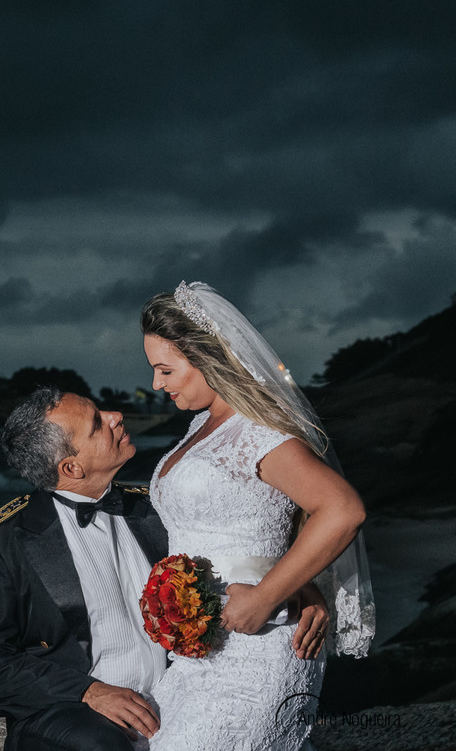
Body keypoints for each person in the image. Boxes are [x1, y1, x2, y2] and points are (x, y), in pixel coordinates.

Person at [0, 387, 329, 751]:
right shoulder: (8, 537)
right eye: (97, 424)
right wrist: (89, 691)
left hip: (177, 686)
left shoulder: (155, 508)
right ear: (71, 468)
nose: (116, 416)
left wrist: (295, 584)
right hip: (71, 706)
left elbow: (227, 555)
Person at [141, 281, 374, 750]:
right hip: (199, 650)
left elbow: (342, 510)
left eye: (165, 370)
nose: (156, 384)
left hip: (260, 646)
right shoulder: (201, 425)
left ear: (208, 358)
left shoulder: (259, 432)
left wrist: (270, 594)